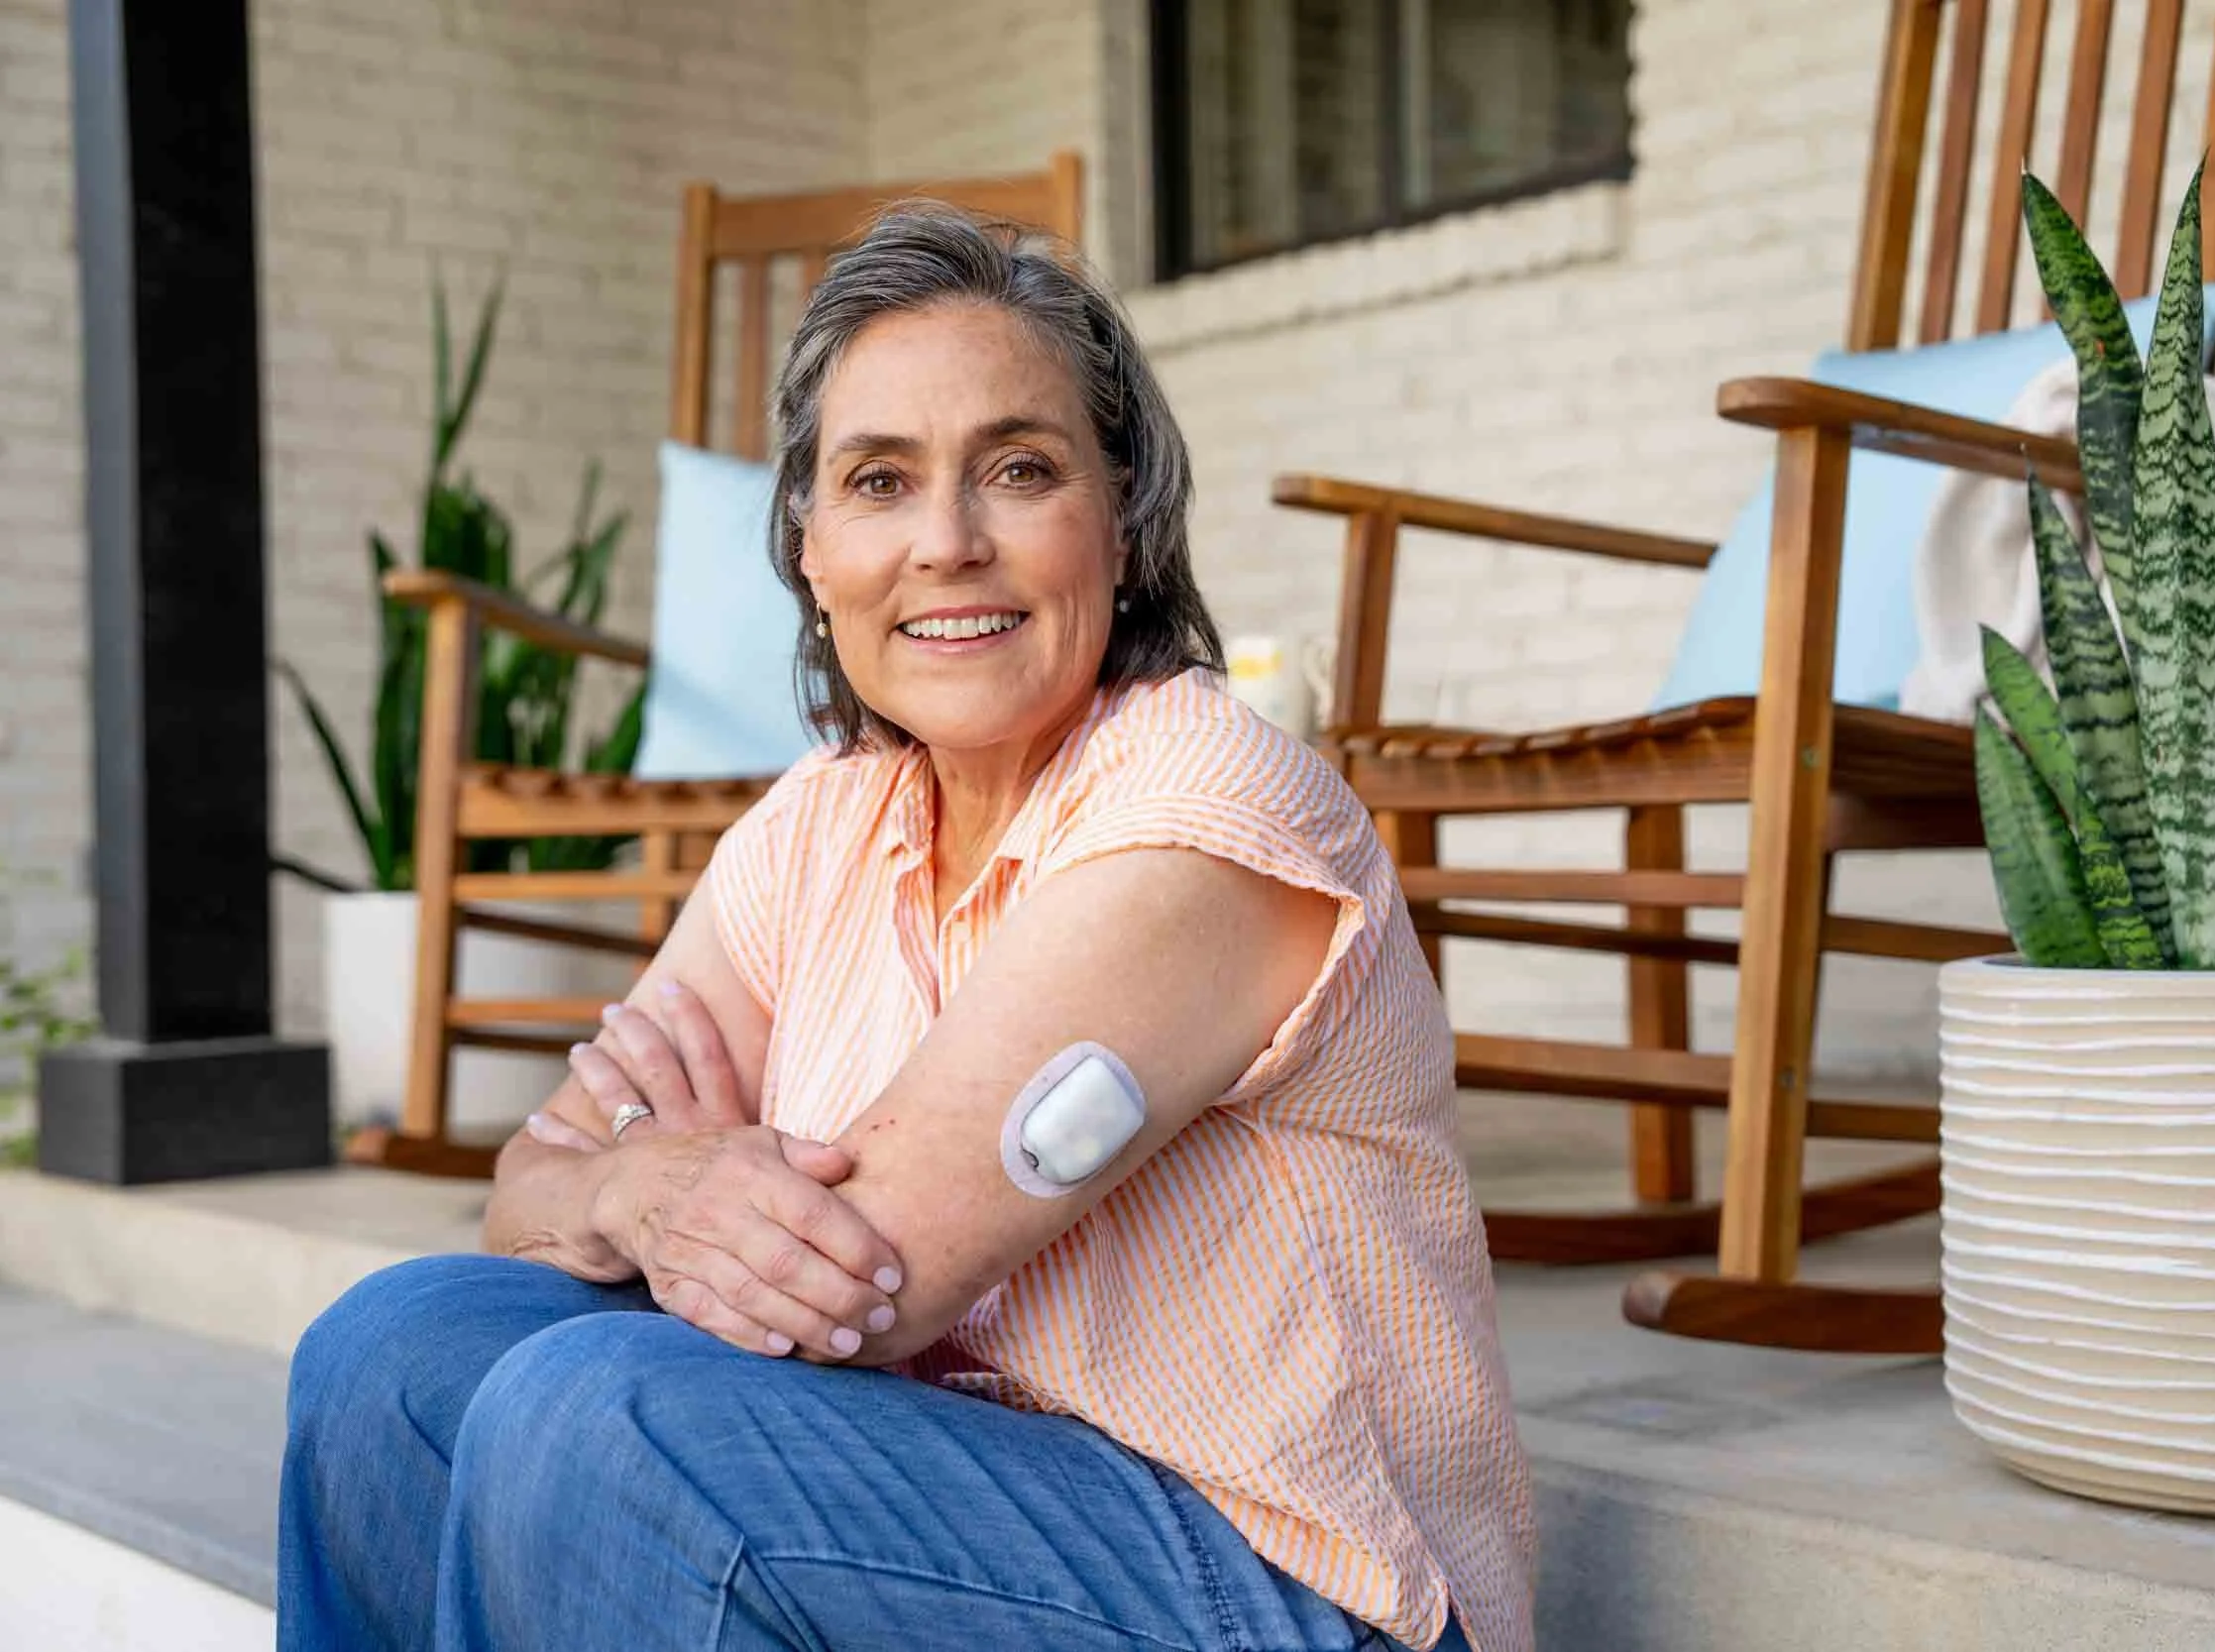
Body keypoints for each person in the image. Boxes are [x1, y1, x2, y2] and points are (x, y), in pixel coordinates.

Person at [278, 203, 1533, 1652]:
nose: (948, 542)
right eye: (880, 480)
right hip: (949, 1518)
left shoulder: (1208, 807)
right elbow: (532, 1190)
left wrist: (653, 1175)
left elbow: (858, 1282)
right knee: (391, 1349)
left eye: (1019, 468)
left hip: (1284, 1580)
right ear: (811, 550)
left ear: (1123, 522)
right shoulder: (823, 821)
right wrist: (641, 1189)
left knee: (610, 1418)